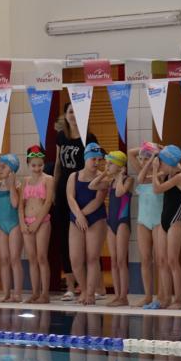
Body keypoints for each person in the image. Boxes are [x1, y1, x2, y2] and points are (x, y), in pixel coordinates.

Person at [53, 103, 98, 301]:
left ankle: (90, 286)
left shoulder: (89, 138)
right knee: (65, 239)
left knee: (87, 241)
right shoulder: (61, 137)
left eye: (76, 111)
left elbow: (94, 166)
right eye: (70, 112)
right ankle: (70, 286)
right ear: (65, 115)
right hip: (64, 190)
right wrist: (54, 190)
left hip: (84, 191)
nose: (73, 115)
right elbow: (58, 165)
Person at [67, 142, 107, 306]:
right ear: (86, 158)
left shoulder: (102, 177)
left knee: (92, 257)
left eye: (99, 160)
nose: (96, 163)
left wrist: (82, 215)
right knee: (76, 260)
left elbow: (98, 200)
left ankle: (90, 293)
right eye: (93, 159)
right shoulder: (73, 176)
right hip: (76, 218)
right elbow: (70, 197)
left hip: (95, 217)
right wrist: (78, 215)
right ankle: (83, 290)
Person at [91, 151, 133, 307]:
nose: (107, 166)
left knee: (121, 260)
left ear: (120, 165)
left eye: (110, 163)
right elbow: (92, 185)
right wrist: (104, 174)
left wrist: (120, 176)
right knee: (114, 260)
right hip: (111, 223)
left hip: (122, 222)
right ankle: (117, 295)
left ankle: (124, 297)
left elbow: (120, 192)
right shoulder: (109, 181)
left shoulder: (128, 180)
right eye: (107, 163)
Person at [130, 142, 165, 310]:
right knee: (145, 259)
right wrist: (149, 147)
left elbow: (179, 167)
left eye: (146, 158)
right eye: (142, 159)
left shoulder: (161, 173)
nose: (143, 161)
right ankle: (148, 296)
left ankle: (161, 296)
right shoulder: (141, 174)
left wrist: (158, 151)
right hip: (143, 221)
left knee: (160, 260)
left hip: (158, 221)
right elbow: (131, 152)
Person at [153, 145, 181, 310]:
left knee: (172, 260)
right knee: (161, 261)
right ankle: (166, 298)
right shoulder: (169, 174)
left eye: (160, 161)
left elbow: (156, 189)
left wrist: (154, 170)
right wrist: (163, 150)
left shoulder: (180, 178)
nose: (159, 164)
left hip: (176, 223)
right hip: (164, 222)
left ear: (168, 162)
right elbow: (177, 163)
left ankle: (178, 300)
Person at [20, 145, 54, 303]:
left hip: (42, 221)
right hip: (27, 222)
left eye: (40, 165)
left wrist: (37, 223)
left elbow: (48, 203)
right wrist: (22, 222)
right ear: (28, 164)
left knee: (41, 257)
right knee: (32, 258)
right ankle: (35, 292)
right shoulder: (25, 181)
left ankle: (45, 294)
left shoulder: (48, 179)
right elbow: (21, 205)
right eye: (34, 165)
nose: (37, 168)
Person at [0, 153, 23, 302]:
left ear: (12, 169)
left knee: (14, 259)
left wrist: (11, 186)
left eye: (3, 167)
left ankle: (17, 293)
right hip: (1, 226)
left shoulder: (18, 185)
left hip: (15, 225)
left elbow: (15, 204)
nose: (0, 169)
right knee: (4, 259)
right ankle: (6, 293)